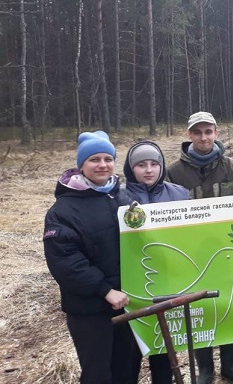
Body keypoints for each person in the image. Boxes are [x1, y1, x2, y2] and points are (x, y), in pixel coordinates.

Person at [43, 131, 142, 384]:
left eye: (108, 158)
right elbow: (65, 261)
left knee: (127, 368)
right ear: (81, 165)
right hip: (90, 309)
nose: (102, 165)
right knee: (98, 374)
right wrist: (104, 289)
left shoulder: (124, 198)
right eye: (94, 159)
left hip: (128, 301)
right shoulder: (63, 210)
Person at [166, 112, 233, 384]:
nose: (204, 137)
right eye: (198, 132)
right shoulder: (173, 172)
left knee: (230, 309)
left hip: (227, 251)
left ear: (216, 133)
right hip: (192, 254)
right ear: (189, 134)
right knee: (198, 310)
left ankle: (229, 365)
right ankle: (205, 370)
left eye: (208, 131)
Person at [122, 140, 189, 384]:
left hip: (168, 280)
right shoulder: (119, 196)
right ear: (131, 168)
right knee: (131, 349)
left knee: (163, 345)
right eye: (141, 165)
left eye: (154, 164)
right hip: (133, 283)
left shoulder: (179, 193)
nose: (148, 170)